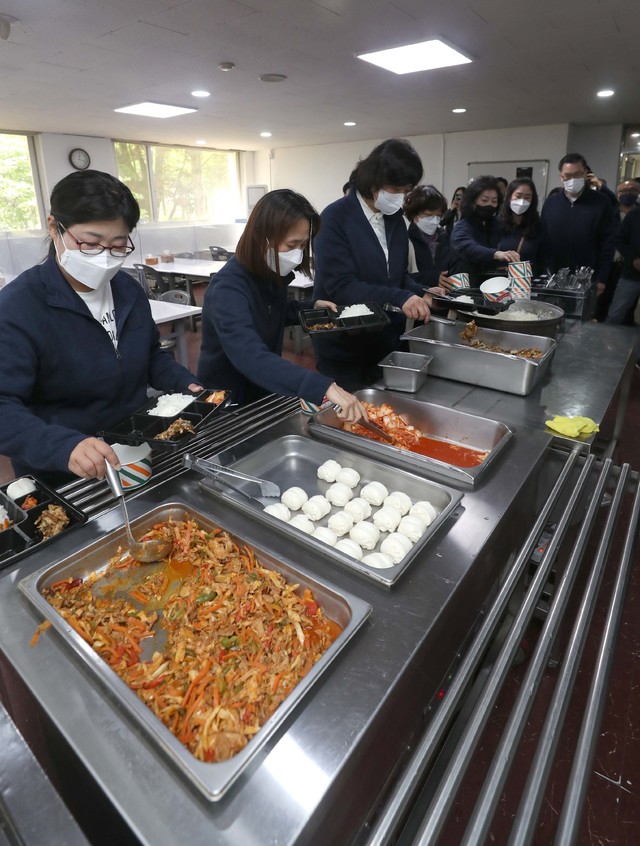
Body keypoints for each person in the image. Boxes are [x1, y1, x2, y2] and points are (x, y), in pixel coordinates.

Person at [0, 170, 203, 484]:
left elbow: (150, 356)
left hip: (134, 451)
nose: (105, 259)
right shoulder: (18, 307)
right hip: (62, 472)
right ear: (54, 227)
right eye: (91, 245)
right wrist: (65, 447)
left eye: (118, 246)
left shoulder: (127, 290)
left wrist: (184, 384)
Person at [197, 189, 365, 421]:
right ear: (261, 237)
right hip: (228, 401)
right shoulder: (228, 289)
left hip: (261, 390)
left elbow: (271, 312)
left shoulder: (268, 272)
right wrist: (320, 386)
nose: (298, 254)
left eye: (303, 245)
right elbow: (250, 355)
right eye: (291, 244)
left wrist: (309, 307)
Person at [312, 138, 430, 390]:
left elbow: (397, 275)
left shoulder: (394, 218)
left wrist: (421, 293)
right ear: (374, 184)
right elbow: (341, 287)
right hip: (345, 343)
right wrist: (401, 297)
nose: (402, 197)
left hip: (386, 340)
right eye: (398, 189)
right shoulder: (335, 218)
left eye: (407, 190)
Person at [539, 153, 617, 297]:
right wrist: (544, 270)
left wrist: (602, 277)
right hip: (554, 275)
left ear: (586, 173)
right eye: (567, 176)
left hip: (587, 276)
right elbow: (543, 239)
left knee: (580, 316)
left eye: (577, 174)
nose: (572, 180)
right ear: (561, 176)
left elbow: (607, 242)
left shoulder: (600, 202)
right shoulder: (551, 203)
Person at [448, 175, 520, 285]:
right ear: (472, 202)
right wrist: (496, 254)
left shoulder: (495, 224)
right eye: (484, 200)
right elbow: (467, 247)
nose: (489, 205)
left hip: (490, 286)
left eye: (494, 201)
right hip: (465, 287)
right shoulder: (462, 226)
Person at [403, 185, 452, 290]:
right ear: (414, 215)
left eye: (438, 216)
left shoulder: (445, 239)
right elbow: (400, 278)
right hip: (417, 299)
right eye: (428, 215)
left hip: (446, 298)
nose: (434, 220)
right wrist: (431, 278)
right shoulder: (404, 241)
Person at [605, 203, 640, 332]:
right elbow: (619, 240)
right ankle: (604, 346)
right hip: (632, 273)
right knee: (616, 314)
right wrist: (633, 259)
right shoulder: (635, 215)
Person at [496, 177, 542, 274]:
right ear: (509, 197)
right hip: (498, 282)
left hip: (527, 282)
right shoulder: (496, 223)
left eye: (527, 197)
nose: (522, 201)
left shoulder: (538, 226)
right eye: (518, 196)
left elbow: (545, 258)